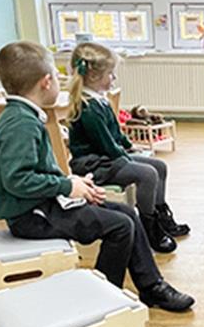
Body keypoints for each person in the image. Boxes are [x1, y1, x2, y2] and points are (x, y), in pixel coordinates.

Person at [0, 41, 194, 312]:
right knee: (119, 227)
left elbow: (35, 173)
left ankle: (152, 287)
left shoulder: (23, 116)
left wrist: (76, 184)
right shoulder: (21, 124)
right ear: (46, 82)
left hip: (44, 205)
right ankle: (102, 296)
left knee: (127, 215)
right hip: (32, 217)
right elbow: (19, 180)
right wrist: (66, 185)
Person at [66, 42, 189, 254]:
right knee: (148, 174)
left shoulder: (100, 101)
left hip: (108, 157)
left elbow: (115, 134)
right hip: (94, 165)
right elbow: (106, 145)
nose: (114, 78)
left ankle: (161, 217)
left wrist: (129, 146)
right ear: (94, 76)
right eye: (111, 74)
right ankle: (149, 228)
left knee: (159, 166)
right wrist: (128, 155)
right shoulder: (89, 108)